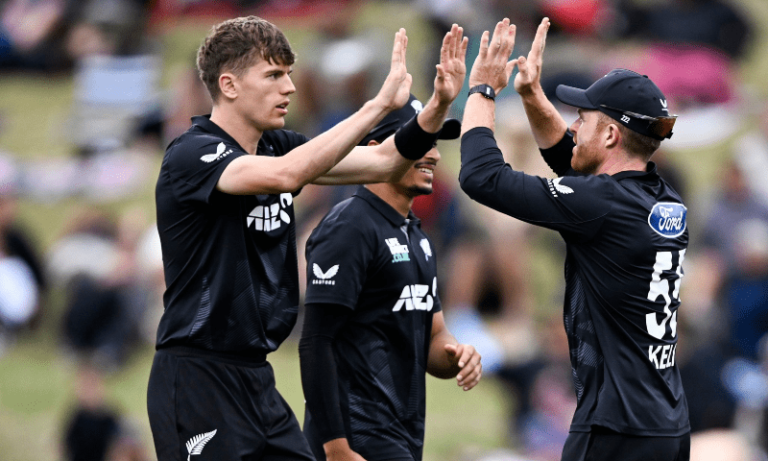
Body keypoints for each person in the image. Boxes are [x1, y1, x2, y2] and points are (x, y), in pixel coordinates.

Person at [147, 15, 467, 461]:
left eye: (291, 75)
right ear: (230, 85)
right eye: (274, 75)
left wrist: (437, 106)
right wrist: (375, 107)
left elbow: (385, 162)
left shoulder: (277, 146)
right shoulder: (192, 152)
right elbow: (287, 175)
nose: (290, 88)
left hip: (257, 379)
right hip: (199, 374)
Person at [458, 17, 690, 461]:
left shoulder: (599, 203)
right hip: (665, 424)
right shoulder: (661, 197)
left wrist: (484, 90)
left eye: (582, 119)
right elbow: (574, 162)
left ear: (610, 134)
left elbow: (480, 176)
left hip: (615, 427)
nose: (573, 127)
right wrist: (530, 95)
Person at [299, 85, 483, 461]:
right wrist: (336, 449)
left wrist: (456, 355)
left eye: (434, 143)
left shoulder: (418, 236)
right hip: (355, 441)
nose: (432, 154)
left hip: (402, 438)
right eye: (419, 142)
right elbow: (316, 342)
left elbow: (433, 334)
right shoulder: (349, 228)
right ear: (373, 151)